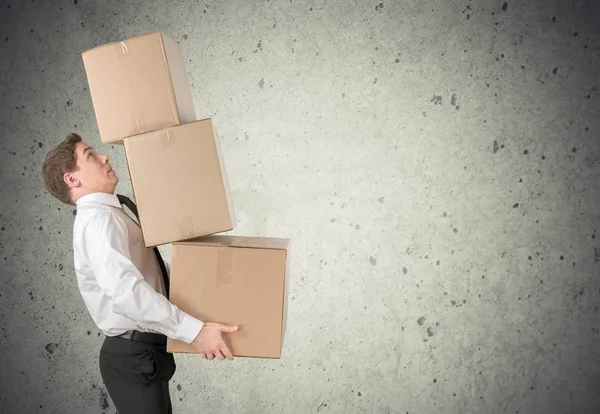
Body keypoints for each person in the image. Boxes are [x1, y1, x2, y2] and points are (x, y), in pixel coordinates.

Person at [41, 133, 239, 413]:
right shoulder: (98, 220)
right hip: (132, 356)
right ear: (71, 179)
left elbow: (149, 277)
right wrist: (194, 332)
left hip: (143, 353)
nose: (104, 157)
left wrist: (204, 284)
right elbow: (125, 292)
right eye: (90, 155)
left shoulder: (111, 213)